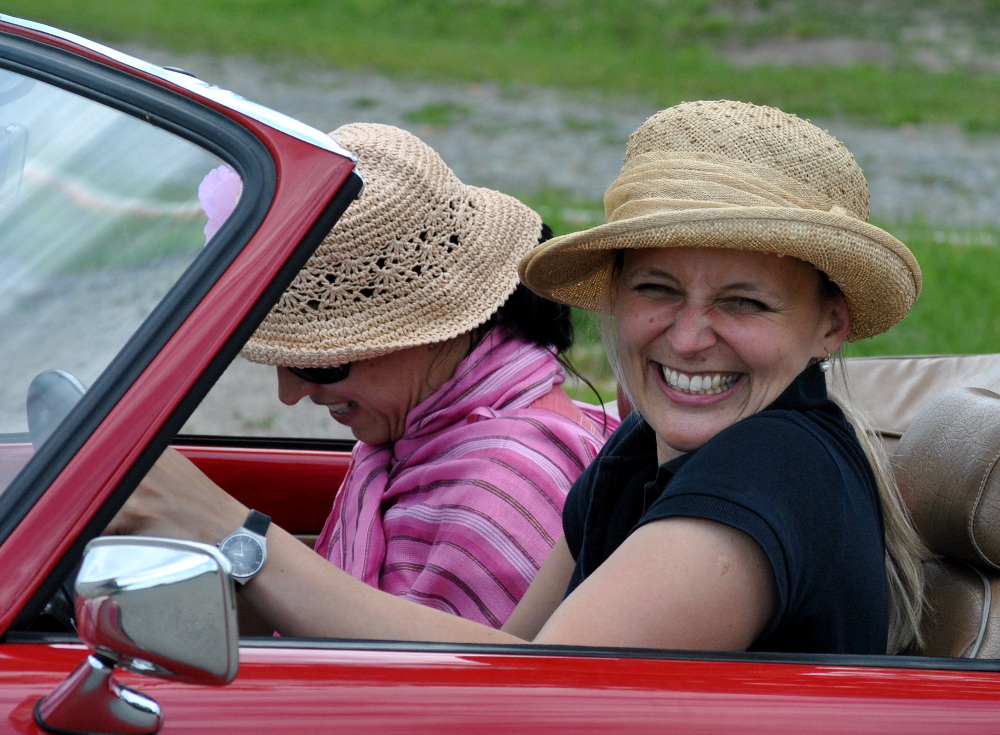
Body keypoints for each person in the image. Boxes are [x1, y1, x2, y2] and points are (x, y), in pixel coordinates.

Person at [111, 100, 926, 655]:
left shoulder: (771, 469)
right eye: (656, 289)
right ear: (615, 297)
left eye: (744, 302)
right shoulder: (644, 447)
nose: (686, 336)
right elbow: (508, 651)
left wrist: (230, 531)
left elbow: (536, 692)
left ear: (829, 325)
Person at [201, 123, 617, 628]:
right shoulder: (437, 436)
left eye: (320, 363)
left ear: (436, 327)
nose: (289, 393)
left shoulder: (499, 492)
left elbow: (429, 676)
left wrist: (210, 519)